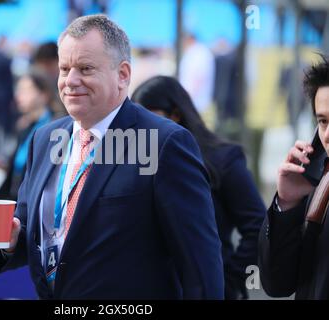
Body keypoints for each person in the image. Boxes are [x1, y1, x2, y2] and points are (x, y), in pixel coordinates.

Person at [0, 14, 224, 299]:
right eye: (64, 68)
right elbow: (46, 236)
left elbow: (201, 267)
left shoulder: (164, 143)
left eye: (85, 68)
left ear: (123, 75)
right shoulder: (44, 138)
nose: (70, 80)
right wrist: (12, 240)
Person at [132, 76, 266, 299]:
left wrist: (229, 280)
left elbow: (257, 225)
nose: (143, 127)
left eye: (149, 115)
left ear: (175, 114)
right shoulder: (140, 160)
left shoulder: (223, 159)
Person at [258, 55, 329, 299]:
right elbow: (278, 284)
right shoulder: (319, 186)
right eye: (323, 121)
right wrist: (287, 204)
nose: (327, 134)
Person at [0, 71, 54, 201]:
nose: (18, 96)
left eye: (26, 90)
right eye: (19, 90)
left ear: (43, 95)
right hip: (16, 197)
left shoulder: (54, 128)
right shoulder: (25, 126)